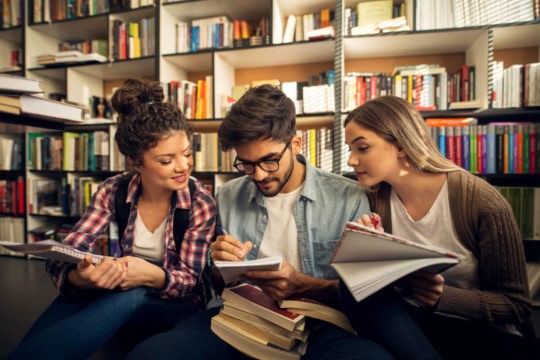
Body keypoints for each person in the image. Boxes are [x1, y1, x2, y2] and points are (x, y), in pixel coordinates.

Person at [126, 85, 443, 360]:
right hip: (238, 317)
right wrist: (218, 265)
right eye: (246, 164)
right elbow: (215, 283)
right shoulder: (228, 196)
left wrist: (303, 285)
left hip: (318, 324)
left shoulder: (349, 197)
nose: (259, 174)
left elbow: (363, 295)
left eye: (269, 160)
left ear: (296, 144)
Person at [7, 79, 216, 360]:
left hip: (176, 305)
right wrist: (80, 278)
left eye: (187, 154)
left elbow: (190, 283)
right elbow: (67, 251)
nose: (183, 166)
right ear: (136, 163)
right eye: (166, 161)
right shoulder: (112, 190)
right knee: (82, 291)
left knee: (131, 293)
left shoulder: (200, 202)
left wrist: (150, 274)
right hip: (124, 291)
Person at [341, 95, 536, 359]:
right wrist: (370, 248)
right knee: (352, 285)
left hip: (480, 331)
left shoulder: (481, 202)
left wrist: (443, 297)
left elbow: (516, 305)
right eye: (349, 150)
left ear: (400, 145)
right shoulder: (376, 198)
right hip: (413, 323)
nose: (351, 161)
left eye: (361, 148)